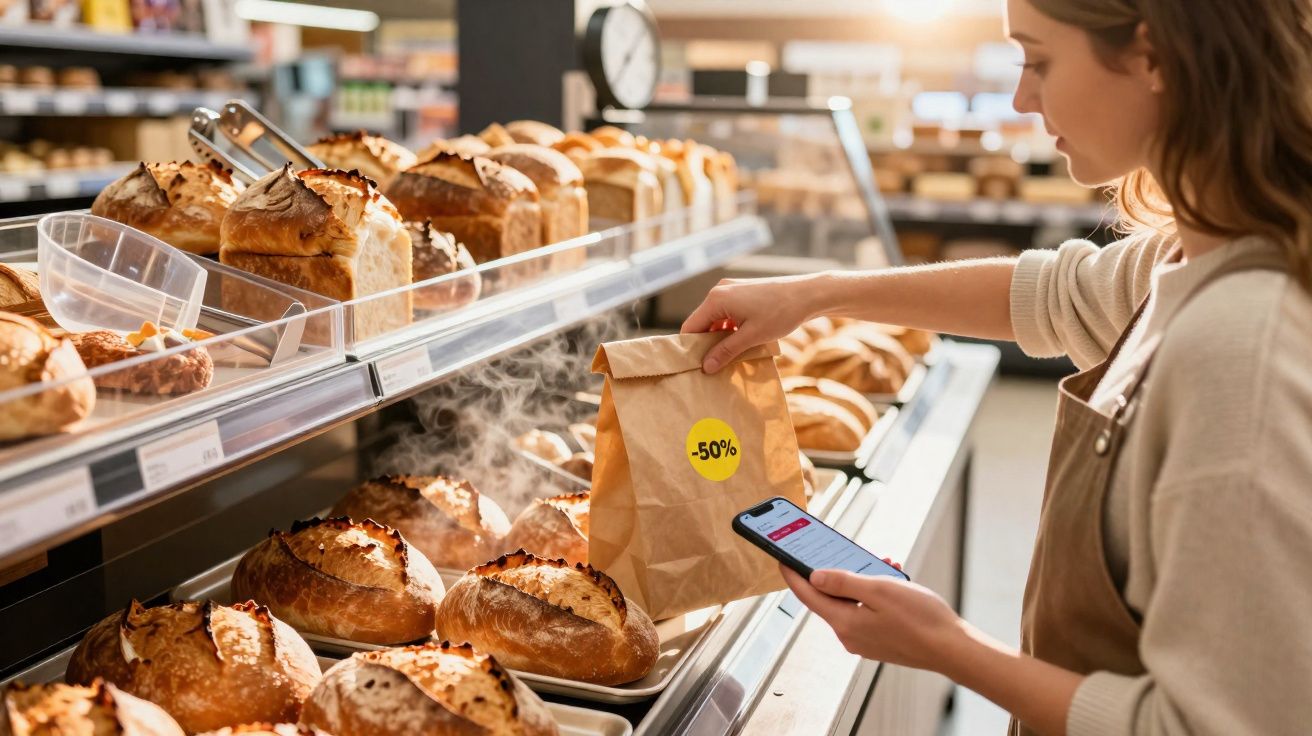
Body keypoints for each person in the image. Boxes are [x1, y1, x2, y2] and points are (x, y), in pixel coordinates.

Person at [682, 1, 1312, 734]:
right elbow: (1050, 293)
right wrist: (816, 295)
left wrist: (945, 646)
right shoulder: (1191, 254)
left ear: (1154, 56)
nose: (1021, 96)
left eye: (1038, 59)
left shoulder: (1242, 349)